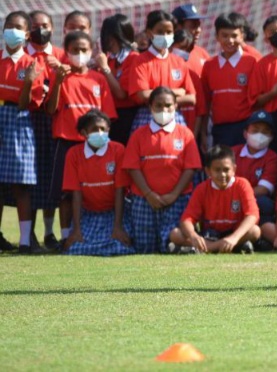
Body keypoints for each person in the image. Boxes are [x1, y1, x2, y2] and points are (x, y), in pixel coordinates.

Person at [45, 31, 117, 247]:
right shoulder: (61, 77)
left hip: (95, 144)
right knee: (66, 194)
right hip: (66, 143)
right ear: (66, 52)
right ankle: (66, 236)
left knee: (93, 190)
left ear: (91, 51)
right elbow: (50, 109)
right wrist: (58, 82)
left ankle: (90, 232)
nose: (79, 54)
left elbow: (108, 116)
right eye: (74, 50)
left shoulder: (99, 79)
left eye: (84, 50)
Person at [122, 86, 201, 253]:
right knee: (144, 248)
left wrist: (174, 194)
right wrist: (149, 194)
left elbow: (190, 168)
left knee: (172, 239)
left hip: (177, 199)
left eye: (168, 105)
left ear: (175, 106)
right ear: (150, 107)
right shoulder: (138, 134)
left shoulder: (185, 134)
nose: (163, 110)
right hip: (144, 200)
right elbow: (132, 167)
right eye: (158, 106)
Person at [0, 11, 44, 253]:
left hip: (19, 121)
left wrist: (27, 82)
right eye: (9, 26)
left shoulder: (32, 64)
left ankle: (25, 241)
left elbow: (25, 104)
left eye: (18, 27)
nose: (12, 31)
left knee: (21, 184)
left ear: (27, 34)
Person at [62, 109, 134, 256]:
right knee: (76, 249)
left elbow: (119, 191)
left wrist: (118, 227)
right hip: (88, 214)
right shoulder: (74, 154)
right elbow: (76, 194)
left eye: (103, 129)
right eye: (95, 129)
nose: (100, 133)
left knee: (121, 247)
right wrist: (76, 230)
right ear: (84, 133)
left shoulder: (118, 150)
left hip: (114, 213)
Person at [169, 145, 260, 254]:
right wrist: (193, 236)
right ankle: (226, 248)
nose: (222, 174)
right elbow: (186, 219)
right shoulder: (201, 188)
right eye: (217, 170)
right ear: (208, 171)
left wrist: (234, 238)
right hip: (209, 235)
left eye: (226, 170)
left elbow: (252, 215)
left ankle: (207, 249)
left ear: (234, 169)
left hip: (234, 233)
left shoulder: (242, 184)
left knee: (255, 231)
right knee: (175, 234)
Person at [25, 10, 65, 249]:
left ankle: (50, 233)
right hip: (27, 120)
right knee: (29, 178)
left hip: (54, 121)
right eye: (36, 25)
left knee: (50, 177)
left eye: (45, 24)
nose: (41, 29)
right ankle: (28, 233)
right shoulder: (22, 56)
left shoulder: (60, 56)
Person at [198, 12, 259, 148]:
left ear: (242, 36)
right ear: (217, 37)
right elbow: (206, 102)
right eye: (224, 35)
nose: (230, 40)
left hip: (246, 127)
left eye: (234, 36)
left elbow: (257, 99)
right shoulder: (209, 65)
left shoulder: (252, 62)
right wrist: (203, 132)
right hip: (220, 129)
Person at [128, 11, 196, 130]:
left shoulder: (179, 62)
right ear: (149, 33)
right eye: (160, 32)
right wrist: (178, 91)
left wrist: (156, 97)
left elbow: (191, 98)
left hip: (175, 117)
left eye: (169, 32)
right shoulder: (140, 61)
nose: (165, 35)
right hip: (147, 117)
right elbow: (143, 95)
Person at [248, 15, 277, 174]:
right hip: (275, 120)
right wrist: (273, 93)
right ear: (266, 38)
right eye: (272, 32)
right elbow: (255, 101)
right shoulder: (262, 65)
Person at [232, 110, 277, 232]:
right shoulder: (233, 152)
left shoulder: (272, 157)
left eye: (265, 132)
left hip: (253, 199)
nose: (260, 135)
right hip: (231, 198)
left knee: (264, 203)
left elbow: (264, 189)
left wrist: (241, 196)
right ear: (245, 133)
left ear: (271, 137)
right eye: (255, 130)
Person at [99, 14, 140, 145]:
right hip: (109, 115)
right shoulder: (109, 59)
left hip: (127, 116)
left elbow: (121, 94)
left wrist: (105, 68)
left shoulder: (133, 59)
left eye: (111, 37)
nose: (108, 41)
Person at [172, 3, 210, 76]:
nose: (198, 30)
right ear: (177, 27)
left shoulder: (202, 53)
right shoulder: (166, 54)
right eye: (193, 26)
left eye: (199, 25)